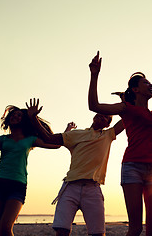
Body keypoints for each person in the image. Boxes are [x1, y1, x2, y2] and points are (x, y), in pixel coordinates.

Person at [88, 52, 152, 236]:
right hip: (132, 167)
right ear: (135, 89)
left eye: (150, 83)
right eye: (146, 83)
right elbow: (94, 105)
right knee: (136, 228)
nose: (151, 85)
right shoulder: (126, 108)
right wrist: (94, 75)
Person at [26, 98, 124, 236]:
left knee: (98, 233)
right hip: (70, 187)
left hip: (93, 189)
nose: (101, 116)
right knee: (62, 230)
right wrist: (33, 117)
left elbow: (126, 119)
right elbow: (49, 138)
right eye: (100, 113)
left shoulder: (108, 135)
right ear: (94, 115)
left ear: (107, 124)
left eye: (105, 117)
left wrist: (125, 102)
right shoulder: (76, 134)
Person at [0, 105, 59, 236]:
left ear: (24, 120)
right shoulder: (2, 139)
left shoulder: (30, 140)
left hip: (17, 185)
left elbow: (55, 144)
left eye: (20, 115)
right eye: (14, 114)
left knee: (6, 228)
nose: (15, 116)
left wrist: (34, 117)